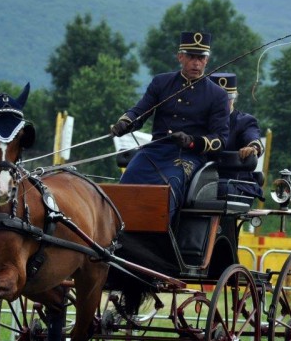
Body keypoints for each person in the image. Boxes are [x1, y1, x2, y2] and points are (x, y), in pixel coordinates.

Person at [110, 32, 230, 222]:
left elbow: (220, 140)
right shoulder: (161, 82)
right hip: (155, 150)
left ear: (207, 60)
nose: (196, 63)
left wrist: (191, 141)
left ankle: (161, 239)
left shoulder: (218, 95)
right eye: (191, 57)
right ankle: (117, 232)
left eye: (201, 58)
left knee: (170, 184)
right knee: (129, 177)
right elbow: (141, 110)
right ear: (180, 57)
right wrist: (125, 123)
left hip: (189, 156)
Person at [209, 72, 264, 203]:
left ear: (234, 98)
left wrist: (252, 147)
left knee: (217, 189)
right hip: (200, 180)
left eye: (228, 98)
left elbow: (252, 136)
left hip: (234, 182)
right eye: (218, 98)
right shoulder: (200, 121)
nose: (223, 102)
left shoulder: (244, 121)